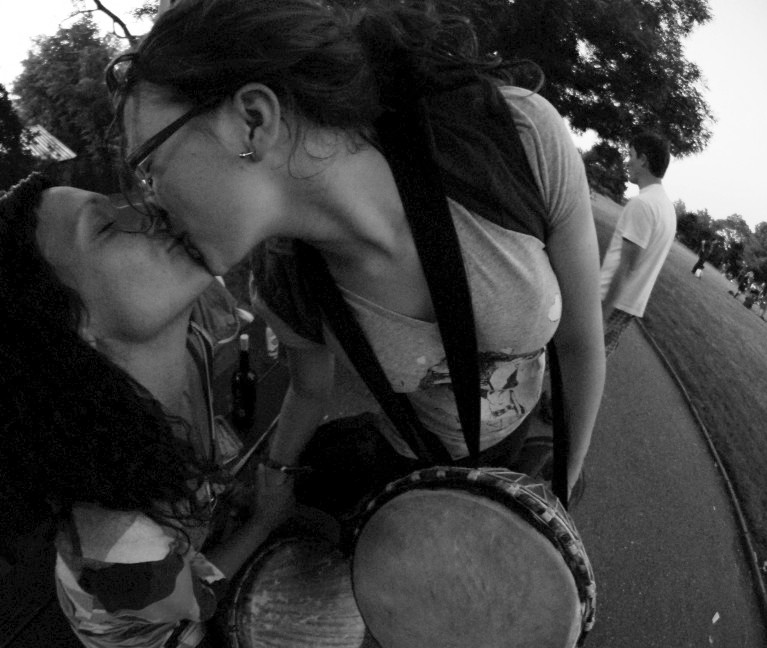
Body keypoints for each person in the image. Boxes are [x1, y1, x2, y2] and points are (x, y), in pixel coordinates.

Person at [107, 0, 604, 503]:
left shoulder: (514, 136)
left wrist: (559, 498)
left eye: (148, 168)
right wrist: (274, 479)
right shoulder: (284, 286)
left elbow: (580, 342)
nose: (151, 204)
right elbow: (309, 389)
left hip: (517, 440)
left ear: (252, 121)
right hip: (417, 463)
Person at [0, 173, 291, 648]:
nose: (151, 211)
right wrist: (265, 520)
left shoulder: (192, 345)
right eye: (105, 227)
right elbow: (197, 599)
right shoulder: (117, 539)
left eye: (122, 204)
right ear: (71, 322)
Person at [599, 131, 676, 355]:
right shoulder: (666, 207)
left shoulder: (643, 204)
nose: (627, 161)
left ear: (643, 160)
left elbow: (626, 266)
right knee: (589, 364)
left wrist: (602, 314)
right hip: (628, 305)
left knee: (567, 360)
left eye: (630, 155)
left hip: (608, 301)